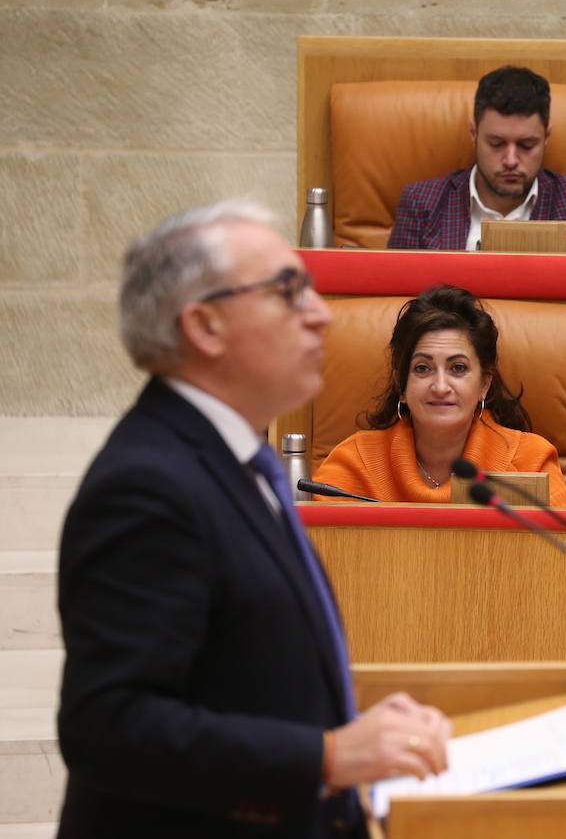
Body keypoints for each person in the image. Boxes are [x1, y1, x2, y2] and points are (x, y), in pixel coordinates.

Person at [57, 201, 452, 838]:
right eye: (287, 292)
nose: (321, 314)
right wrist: (327, 757)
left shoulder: (235, 459)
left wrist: (345, 726)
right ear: (205, 326)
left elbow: (239, 667)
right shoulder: (147, 484)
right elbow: (109, 727)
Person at [314, 285, 566, 507]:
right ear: (402, 386)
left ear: (484, 385)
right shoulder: (357, 461)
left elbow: (564, 559)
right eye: (422, 368)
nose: (440, 386)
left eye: (458, 368)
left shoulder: (530, 462)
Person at [387, 66, 566, 253]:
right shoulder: (422, 203)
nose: (511, 160)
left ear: (546, 138)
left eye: (527, 145)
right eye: (496, 144)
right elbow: (398, 296)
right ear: (474, 134)